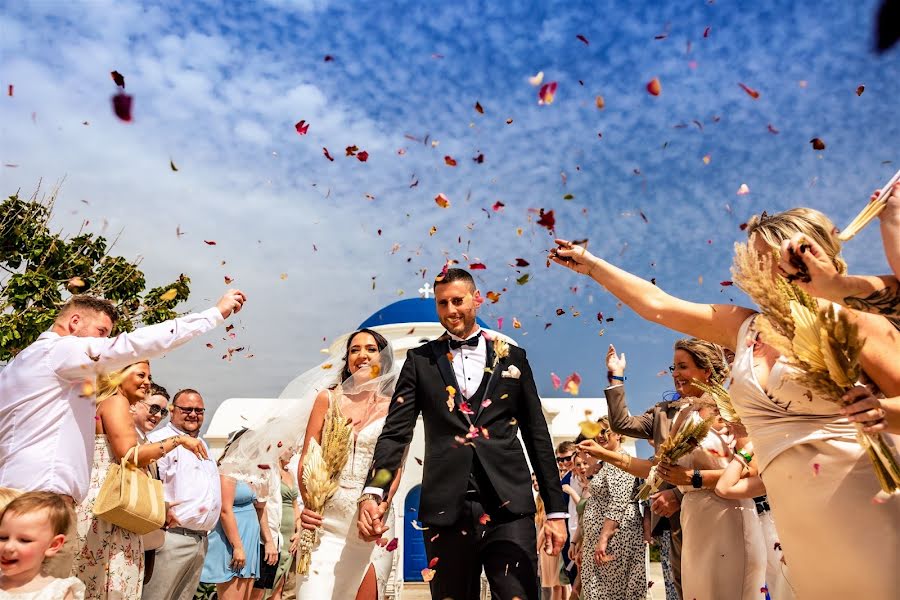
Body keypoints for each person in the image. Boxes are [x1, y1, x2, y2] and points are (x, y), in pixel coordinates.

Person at [550, 206, 900, 598]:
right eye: (756, 258)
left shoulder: (852, 320)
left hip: (860, 499)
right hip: (796, 524)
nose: (762, 268)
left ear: (813, 254)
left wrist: (879, 412)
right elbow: (658, 304)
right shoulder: (743, 327)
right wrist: (592, 265)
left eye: (773, 256)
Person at [0, 290, 245, 578]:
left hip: (18, 495)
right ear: (74, 321)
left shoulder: (23, 363)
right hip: (41, 503)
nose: (104, 341)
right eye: (101, 332)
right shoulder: (59, 351)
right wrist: (213, 315)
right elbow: (134, 344)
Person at [358, 268, 568, 600]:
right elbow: (396, 433)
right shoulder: (419, 361)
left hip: (508, 506)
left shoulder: (513, 358)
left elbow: (537, 434)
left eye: (458, 301)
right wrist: (375, 491)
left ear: (477, 299)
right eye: (443, 304)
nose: (450, 310)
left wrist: (556, 511)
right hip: (446, 508)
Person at [217, 328, 401, 600]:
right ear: (347, 358)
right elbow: (307, 458)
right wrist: (309, 503)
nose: (362, 355)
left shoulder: (396, 407)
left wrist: (381, 505)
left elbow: (393, 466)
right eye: (354, 349)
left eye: (371, 349)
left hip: (370, 522)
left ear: (383, 358)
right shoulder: (328, 399)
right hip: (325, 522)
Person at [75, 361, 209, 599]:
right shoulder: (116, 402)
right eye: (141, 375)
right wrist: (178, 441)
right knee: (111, 583)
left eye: (149, 376)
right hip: (112, 505)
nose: (147, 382)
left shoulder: (104, 402)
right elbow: (130, 455)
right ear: (119, 374)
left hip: (106, 501)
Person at [603, 342, 686, 599]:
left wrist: (680, 496)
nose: (675, 374)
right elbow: (621, 423)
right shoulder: (662, 413)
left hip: (711, 509)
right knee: (683, 588)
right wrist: (616, 375)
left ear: (707, 371)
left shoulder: (723, 410)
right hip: (673, 522)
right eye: (674, 367)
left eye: (683, 367)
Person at [142, 389, 222, 600]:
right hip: (171, 539)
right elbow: (147, 482)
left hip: (200, 541)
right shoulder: (158, 440)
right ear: (173, 411)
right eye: (187, 409)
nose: (193, 414)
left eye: (198, 410)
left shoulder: (203, 444)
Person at [576, 418, 646, 600]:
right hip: (603, 539)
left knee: (610, 593)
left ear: (619, 434)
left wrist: (603, 539)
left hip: (617, 540)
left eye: (605, 431)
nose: (600, 436)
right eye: (597, 432)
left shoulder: (621, 461)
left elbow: (618, 503)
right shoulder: (606, 463)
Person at [715, 443, 795, 600]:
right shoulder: (778, 474)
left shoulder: (779, 473)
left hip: (789, 542)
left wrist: (748, 447)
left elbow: (723, 487)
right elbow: (724, 488)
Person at [201, 429, 269, 600]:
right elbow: (225, 510)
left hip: (250, 537)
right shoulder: (228, 469)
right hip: (233, 538)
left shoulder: (249, 473)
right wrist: (238, 547)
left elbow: (260, 504)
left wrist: (265, 476)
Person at [0, 492, 85, 600]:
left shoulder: (57, 592)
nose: (8, 547)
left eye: (24, 540)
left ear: (53, 545)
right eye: (2, 537)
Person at [131, 382, 171, 584]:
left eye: (163, 412)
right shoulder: (125, 442)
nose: (157, 416)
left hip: (146, 536)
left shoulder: (148, 444)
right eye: (154, 408)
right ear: (136, 404)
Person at [263, 449, 299, 600]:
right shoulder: (270, 470)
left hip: (290, 535)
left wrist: (299, 530)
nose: (293, 452)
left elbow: (295, 505)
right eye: (290, 448)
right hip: (275, 531)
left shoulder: (290, 472)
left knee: (282, 582)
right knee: (268, 583)